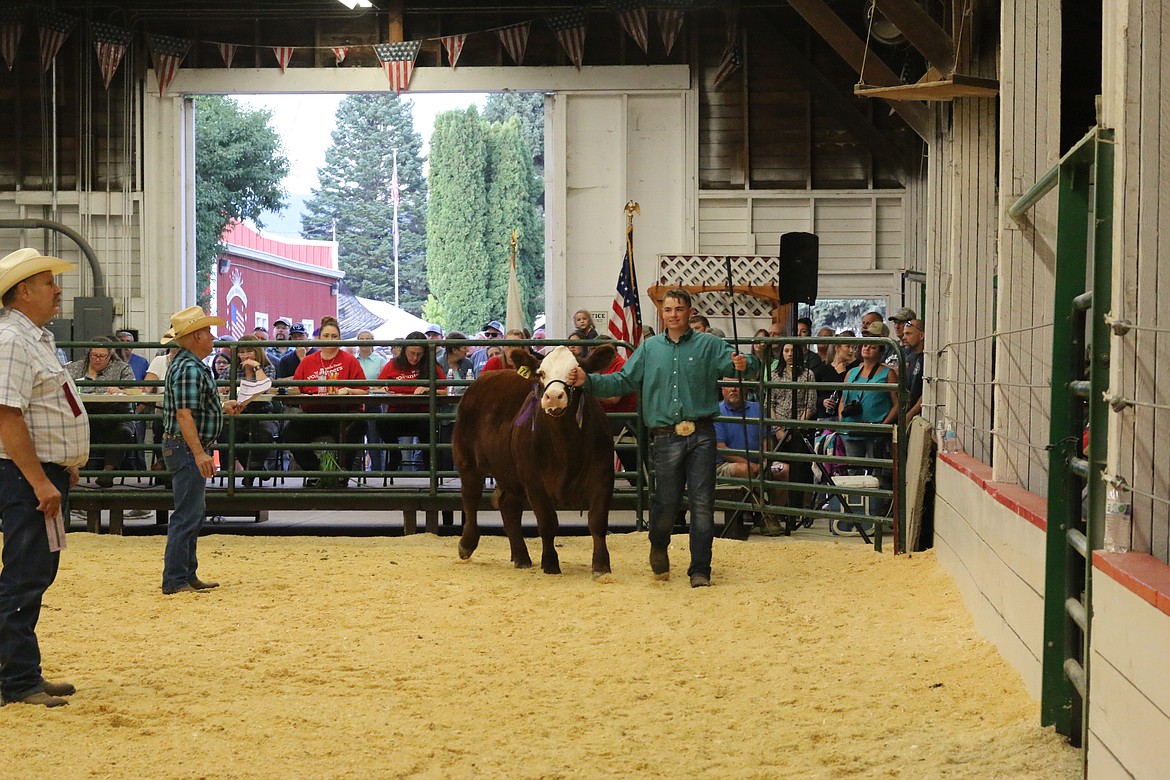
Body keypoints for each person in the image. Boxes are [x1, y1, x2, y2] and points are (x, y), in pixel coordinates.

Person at [568, 288, 751, 588]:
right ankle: (658, 543)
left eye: (679, 309)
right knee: (665, 503)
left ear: (690, 313)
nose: (674, 314)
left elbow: (738, 365)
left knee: (703, 503)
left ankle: (700, 569)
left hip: (702, 432)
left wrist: (744, 365)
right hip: (665, 436)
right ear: (662, 314)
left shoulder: (710, 344)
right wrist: (589, 381)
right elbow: (623, 380)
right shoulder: (649, 348)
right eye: (668, 310)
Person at [0, 248, 89, 707]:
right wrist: (39, 480)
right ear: (23, 291)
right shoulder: (14, 340)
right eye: (49, 282)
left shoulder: (34, 337)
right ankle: (15, 682)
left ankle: (22, 671)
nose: (58, 290)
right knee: (24, 575)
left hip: (41, 473)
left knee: (34, 572)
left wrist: (62, 462)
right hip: (25, 478)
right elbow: (7, 417)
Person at [160, 306, 236, 595]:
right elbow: (184, 415)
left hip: (183, 447)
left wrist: (222, 407)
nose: (212, 336)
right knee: (187, 513)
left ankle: (185, 574)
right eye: (207, 332)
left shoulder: (187, 365)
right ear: (195, 336)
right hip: (186, 447)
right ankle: (176, 578)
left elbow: (190, 411)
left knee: (192, 511)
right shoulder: (190, 368)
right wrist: (199, 453)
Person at [283, 316, 367, 486]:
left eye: (334, 336)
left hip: (343, 413)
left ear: (340, 339)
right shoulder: (307, 361)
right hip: (314, 414)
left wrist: (348, 390)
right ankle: (316, 471)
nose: (330, 339)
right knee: (289, 433)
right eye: (326, 336)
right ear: (319, 338)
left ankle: (343, 473)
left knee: (357, 425)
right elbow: (296, 388)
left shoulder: (350, 361)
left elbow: (364, 390)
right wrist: (297, 393)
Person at [839, 332, 900, 517]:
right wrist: (842, 420)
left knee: (877, 471)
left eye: (873, 346)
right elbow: (843, 397)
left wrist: (884, 424)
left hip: (875, 430)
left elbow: (897, 402)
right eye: (865, 345)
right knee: (853, 470)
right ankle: (855, 510)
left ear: (881, 352)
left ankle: (878, 511)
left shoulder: (888, 374)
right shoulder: (852, 372)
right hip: (852, 429)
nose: (867, 348)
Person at [66, 336, 137, 488]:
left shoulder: (122, 368)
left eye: (102, 356)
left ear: (110, 355)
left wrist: (121, 390)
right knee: (69, 429)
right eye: (94, 355)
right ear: (89, 353)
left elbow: (134, 390)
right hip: (85, 415)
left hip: (115, 415)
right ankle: (72, 471)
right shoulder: (74, 368)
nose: (97, 359)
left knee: (123, 431)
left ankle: (108, 472)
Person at [376, 330, 446, 472]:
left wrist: (428, 389)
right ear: (404, 351)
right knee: (380, 423)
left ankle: (429, 470)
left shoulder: (432, 365)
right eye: (411, 353)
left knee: (429, 429)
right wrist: (384, 390)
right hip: (396, 414)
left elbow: (444, 391)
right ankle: (395, 454)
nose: (414, 358)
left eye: (419, 354)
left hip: (422, 415)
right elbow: (377, 387)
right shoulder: (392, 364)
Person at [224, 335, 279, 487]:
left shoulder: (267, 367)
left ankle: (252, 470)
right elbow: (222, 389)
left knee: (264, 432)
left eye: (250, 351)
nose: (245, 355)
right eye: (241, 352)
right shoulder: (231, 370)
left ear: (258, 352)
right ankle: (256, 468)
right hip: (238, 413)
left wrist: (256, 367)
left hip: (262, 412)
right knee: (230, 432)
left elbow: (265, 387)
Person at [355, 330, 387, 473]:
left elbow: (387, 382)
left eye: (368, 339)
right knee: (355, 443)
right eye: (362, 339)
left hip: (374, 404)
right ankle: (354, 472)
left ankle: (377, 475)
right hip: (356, 405)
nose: (365, 342)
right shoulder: (353, 361)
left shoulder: (380, 361)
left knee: (374, 443)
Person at [902, 319, 925, 419]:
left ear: (921, 335)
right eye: (904, 334)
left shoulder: (927, 359)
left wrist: (911, 414)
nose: (903, 338)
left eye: (908, 334)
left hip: (920, 415)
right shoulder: (910, 358)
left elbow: (928, 392)